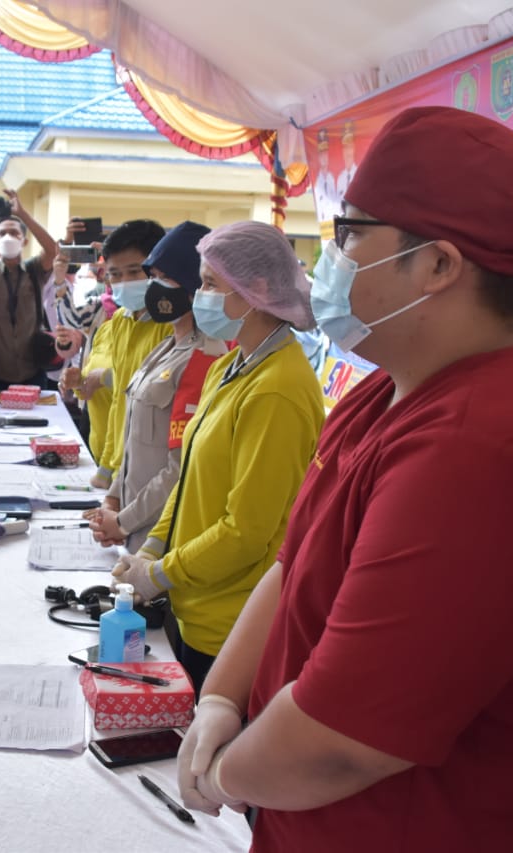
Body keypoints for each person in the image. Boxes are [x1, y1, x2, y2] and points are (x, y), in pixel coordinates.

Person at [180, 108, 513, 852]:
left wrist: (222, 775)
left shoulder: (486, 444)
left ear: (438, 265)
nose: (332, 259)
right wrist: (223, 697)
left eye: (351, 234)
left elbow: (342, 739)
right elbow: (293, 564)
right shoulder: (385, 391)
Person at [111, 222, 323, 691]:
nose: (197, 294)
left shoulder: (278, 390)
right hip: (194, 604)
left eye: (209, 284)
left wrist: (162, 573)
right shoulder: (229, 367)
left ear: (258, 290)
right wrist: (151, 548)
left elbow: (247, 531)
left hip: (232, 621)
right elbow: (187, 481)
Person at [89, 222, 225, 553]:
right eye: (152, 276)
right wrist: (111, 499)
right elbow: (132, 438)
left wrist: (123, 521)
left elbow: (180, 467)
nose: (153, 287)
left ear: (193, 285)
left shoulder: (205, 356)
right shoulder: (165, 349)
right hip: (132, 529)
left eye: (164, 277)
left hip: (162, 538)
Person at [61, 220, 171, 488]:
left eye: (134, 271)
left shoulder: (171, 325)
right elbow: (118, 407)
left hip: (155, 472)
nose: (124, 282)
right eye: (115, 274)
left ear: (157, 269)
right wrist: (106, 469)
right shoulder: (120, 321)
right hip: (118, 464)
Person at [0, 189, 58, 389]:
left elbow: (52, 251)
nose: (8, 237)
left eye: (14, 233)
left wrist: (22, 214)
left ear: (24, 241)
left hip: (31, 370)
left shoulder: (34, 269)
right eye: (2, 234)